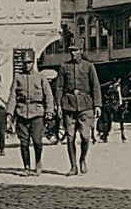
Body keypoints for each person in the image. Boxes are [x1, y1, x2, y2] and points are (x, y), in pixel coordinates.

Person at [55, 38, 102, 176]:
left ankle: (82, 159)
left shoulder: (89, 66)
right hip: (68, 106)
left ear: (81, 51)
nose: (73, 53)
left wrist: (97, 105)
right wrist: (58, 104)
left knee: (85, 137)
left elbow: (96, 87)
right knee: (70, 138)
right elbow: (59, 87)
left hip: (86, 106)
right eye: (71, 50)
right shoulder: (64, 67)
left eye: (75, 50)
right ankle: (73, 166)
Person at [6, 50, 54, 176]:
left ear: (33, 62)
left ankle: (38, 161)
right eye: (24, 62)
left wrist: (49, 111)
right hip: (22, 112)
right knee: (24, 142)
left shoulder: (40, 77)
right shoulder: (18, 77)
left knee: (37, 141)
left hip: (37, 113)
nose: (26, 65)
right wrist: (9, 113)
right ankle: (26, 167)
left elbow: (48, 95)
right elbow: (12, 96)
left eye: (29, 62)